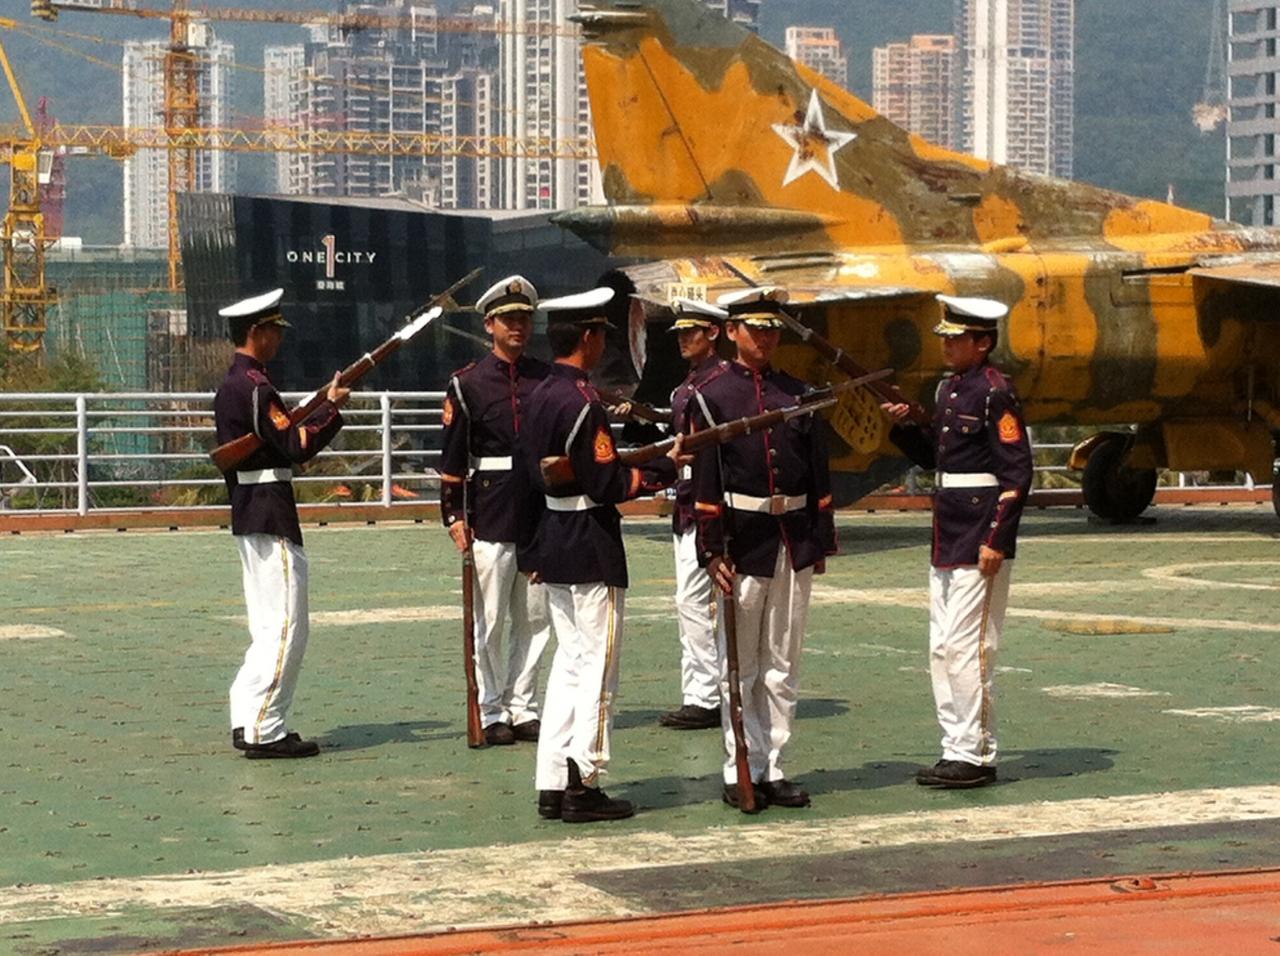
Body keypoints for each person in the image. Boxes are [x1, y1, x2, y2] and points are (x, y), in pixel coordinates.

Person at [518, 286, 685, 823]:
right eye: (601, 336)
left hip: (554, 536)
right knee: (598, 670)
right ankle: (585, 782)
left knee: (569, 664)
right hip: (589, 539)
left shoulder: (538, 394)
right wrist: (664, 467)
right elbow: (607, 481)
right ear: (588, 338)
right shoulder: (583, 401)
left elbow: (533, 475)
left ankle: (552, 781)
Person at [880, 294, 1034, 789]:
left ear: (982, 343)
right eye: (945, 338)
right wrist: (905, 426)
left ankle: (976, 751)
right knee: (942, 647)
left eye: (956, 338)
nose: (946, 345)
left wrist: (997, 538)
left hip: (979, 529)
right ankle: (955, 745)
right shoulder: (949, 390)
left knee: (970, 647)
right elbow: (937, 459)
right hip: (948, 528)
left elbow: (1017, 473)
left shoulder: (995, 392)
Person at [691, 286, 836, 810]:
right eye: (756, 329)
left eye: (772, 329)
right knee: (741, 665)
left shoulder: (797, 394)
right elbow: (705, 480)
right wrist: (712, 549)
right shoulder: (711, 396)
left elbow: (818, 473)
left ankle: (774, 766)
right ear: (732, 332)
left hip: (791, 538)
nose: (766, 338)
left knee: (782, 662)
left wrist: (820, 539)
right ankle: (741, 767)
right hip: (743, 540)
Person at [213, 288, 349, 759]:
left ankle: (249, 716)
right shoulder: (257, 387)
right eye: (274, 330)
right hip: (270, 508)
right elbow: (295, 446)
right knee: (287, 626)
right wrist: (332, 410)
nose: (279, 338)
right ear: (258, 332)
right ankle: (265, 729)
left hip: (251, 507)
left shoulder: (236, 384)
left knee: (268, 624)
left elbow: (277, 436)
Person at [439, 276, 553, 747]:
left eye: (524, 318)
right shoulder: (467, 383)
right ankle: (489, 709)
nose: (518, 326)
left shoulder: (545, 378)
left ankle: (522, 705)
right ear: (489, 325)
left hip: (538, 512)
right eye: (508, 319)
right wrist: (453, 515)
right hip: (490, 510)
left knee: (535, 618)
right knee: (488, 620)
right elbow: (452, 457)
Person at [658, 297, 729, 731]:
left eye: (692, 332)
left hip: (711, 501)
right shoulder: (685, 388)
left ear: (713, 333)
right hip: (687, 501)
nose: (684, 339)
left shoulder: (720, 384)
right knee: (690, 602)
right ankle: (702, 692)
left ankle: (708, 694)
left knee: (699, 601)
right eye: (681, 333)